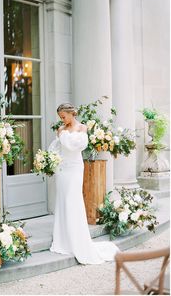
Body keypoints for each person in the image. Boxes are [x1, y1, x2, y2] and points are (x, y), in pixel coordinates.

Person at [48, 102, 119, 264]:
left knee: (73, 201)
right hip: (62, 169)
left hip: (74, 169)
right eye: (60, 118)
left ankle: (76, 238)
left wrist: (63, 135)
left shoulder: (82, 128)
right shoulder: (60, 130)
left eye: (64, 116)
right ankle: (63, 239)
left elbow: (76, 146)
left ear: (71, 113)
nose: (62, 120)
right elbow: (55, 148)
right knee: (62, 201)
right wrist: (49, 158)